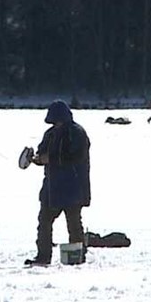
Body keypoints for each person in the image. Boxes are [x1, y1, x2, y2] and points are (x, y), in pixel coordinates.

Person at [26, 100, 91, 266]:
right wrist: (36, 159)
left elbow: (76, 156)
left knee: (74, 224)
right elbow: (43, 153)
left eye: (58, 121)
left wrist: (52, 159)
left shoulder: (77, 133)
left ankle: (77, 257)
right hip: (52, 188)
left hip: (73, 187)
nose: (56, 124)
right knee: (44, 223)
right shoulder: (50, 134)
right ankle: (43, 256)